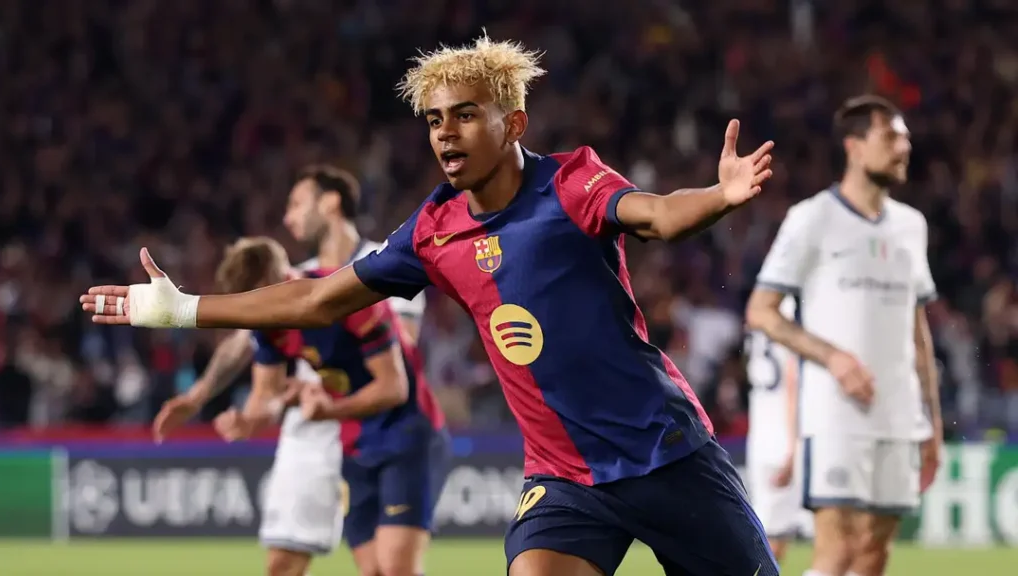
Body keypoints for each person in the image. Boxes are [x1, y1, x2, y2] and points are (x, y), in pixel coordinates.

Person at [81, 34, 778, 576]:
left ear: (514, 123)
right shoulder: (432, 231)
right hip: (566, 479)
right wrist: (183, 309)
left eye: (466, 115)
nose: (445, 132)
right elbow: (319, 297)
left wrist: (718, 197)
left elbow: (657, 214)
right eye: (435, 119)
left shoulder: (571, 184)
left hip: (665, 453)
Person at [151, 166, 426, 576]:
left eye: (296, 204)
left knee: (383, 568)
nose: (287, 217)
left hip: (372, 422)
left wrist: (323, 385)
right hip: (310, 430)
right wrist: (200, 394)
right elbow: (243, 340)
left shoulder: (385, 263)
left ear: (329, 203)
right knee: (283, 563)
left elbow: (399, 350)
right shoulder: (296, 280)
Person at [745, 95, 942, 576]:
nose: (904, 148)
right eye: (890, 137)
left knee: (875, 553)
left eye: (905, 139)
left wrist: (933, 423)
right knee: (839, 551)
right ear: (853, 146)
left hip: (899, 415)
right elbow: (761, 311)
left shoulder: (911, 226)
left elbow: (917, 331)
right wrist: (833, 357)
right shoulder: (812, 218)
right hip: (836, 414)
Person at [208, 237, 448, 576]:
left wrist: (328, 411)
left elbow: (393, 388)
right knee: (374, 571)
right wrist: (249, 421)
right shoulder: (269, 326)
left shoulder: (346, 297)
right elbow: (267, 396)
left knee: (396, 568)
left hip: (407, 435)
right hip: (355, 444)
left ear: (277, 280)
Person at [744, 296, 811, 565]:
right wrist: (794, 447)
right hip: (785, 434)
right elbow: (794, 376)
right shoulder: (795, 308)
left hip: (761, 431)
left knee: (769, 537)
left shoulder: (761, 308)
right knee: (771, 546)